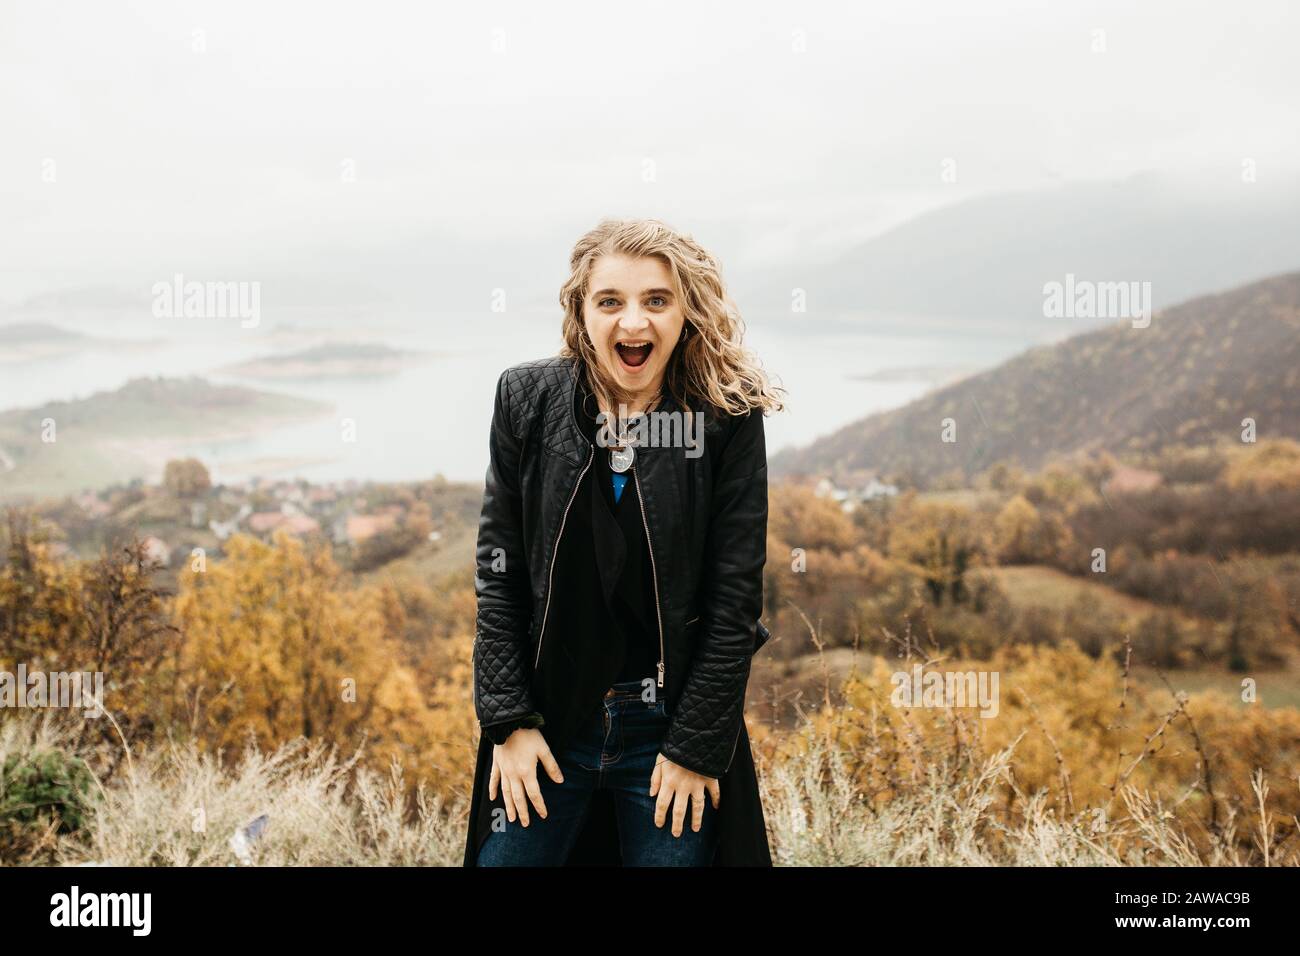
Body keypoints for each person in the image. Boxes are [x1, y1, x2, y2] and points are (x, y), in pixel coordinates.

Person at [463, 217, 784, 866]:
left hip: (667, 732)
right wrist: (509, 722)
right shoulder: (526, 402)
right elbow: (500, 577)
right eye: (610, 301)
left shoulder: (725, 419)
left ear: (686, 312)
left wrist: (695, 747)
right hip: (550, 726)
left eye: (656, 301)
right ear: (580, 314)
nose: (633, 324)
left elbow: (733, 607)